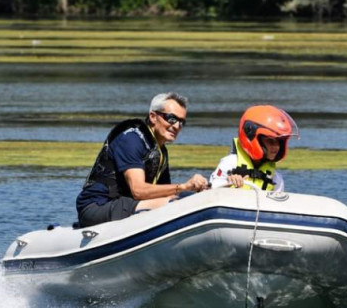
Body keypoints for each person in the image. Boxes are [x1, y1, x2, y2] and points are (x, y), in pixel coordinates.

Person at [76, 92, 209, 227]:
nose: (177, 126)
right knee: (173, 206)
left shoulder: (160, 151)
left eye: (182, 122)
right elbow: (138, 190)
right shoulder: (131, 139)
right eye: (171, 118)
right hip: (97, 205)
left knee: (186, 200)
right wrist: (184, 187)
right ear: (153, 116)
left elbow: (165, 192)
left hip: (125, 203)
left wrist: (195, 191)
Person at [210, 104, 299, 191]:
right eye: (270, 141)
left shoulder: (276, 179)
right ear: (251, 135)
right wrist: (228, 183)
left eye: (279, 142)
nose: (276, 147)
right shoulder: (229, 163)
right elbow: (211, 191)